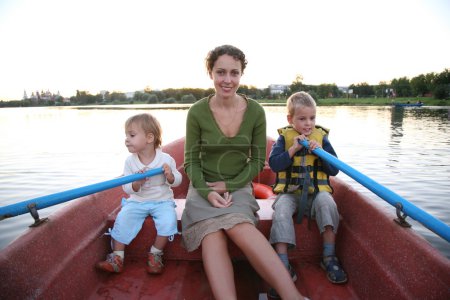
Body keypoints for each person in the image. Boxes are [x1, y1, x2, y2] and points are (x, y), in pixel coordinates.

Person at [181, 45, 308, 300]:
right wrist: (207, 191)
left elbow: (257, 160)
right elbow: (191, 162)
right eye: (221, 72)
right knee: (212, 234)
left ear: (241, 75)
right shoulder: (196, 112)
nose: (227, 80)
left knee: (239, 226)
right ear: (211, 74)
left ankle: (292, 297)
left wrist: (229, 186)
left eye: (234, 73)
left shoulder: (256, 112)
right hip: (203, 186)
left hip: (239, 185)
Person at [268, 91, 348, 296]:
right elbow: (275, 165)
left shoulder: (321, 138)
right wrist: (292, 150)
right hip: (290, 193)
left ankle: (328, 257)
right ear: (290, 119)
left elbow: (334, 170)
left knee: (327, 203)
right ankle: (283, 263)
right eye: (302, 119)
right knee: (282, 209)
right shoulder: (284, 138)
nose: (308, 124)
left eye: (312, 118)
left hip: (316, 193)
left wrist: (321, 153)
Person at [96, 113, 182, 274]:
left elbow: (178, 180)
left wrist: (170, 175)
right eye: (126, 135)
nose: (126, 139)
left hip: (162, 201)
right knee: (123, 219)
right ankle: (117, 257)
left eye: (132, 135)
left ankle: (155, 254)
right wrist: (136, 183)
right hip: (137, 201)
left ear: (149, 138)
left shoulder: (166, 159)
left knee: (168, 220)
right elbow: (126, 187)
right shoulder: (130, 161)